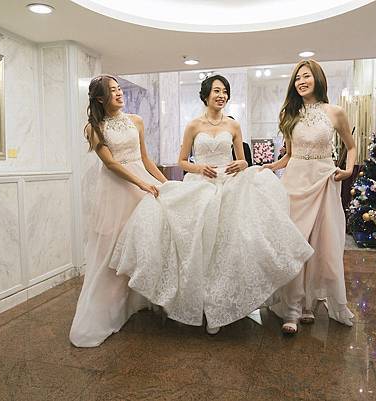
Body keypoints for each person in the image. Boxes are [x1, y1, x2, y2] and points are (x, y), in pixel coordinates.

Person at [110, 75, 313, 335]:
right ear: (206, 95)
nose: (222, 95)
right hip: (201, 183)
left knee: (229, 246)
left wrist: (242, 163)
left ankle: (221, 305)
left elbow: (243, 161)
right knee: (199, 246)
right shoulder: (193, 125)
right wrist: (199, 167)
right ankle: (202, 304)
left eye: (225, 91)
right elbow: (182, 160)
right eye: (217, 91)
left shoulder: (233, 125)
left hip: (229, 184)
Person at [69, 75, 167, 347]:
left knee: (144, 242)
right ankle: (107, 310)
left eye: (119, 88)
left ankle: (139, 299)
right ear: (100, 98)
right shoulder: (94, 127)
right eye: (112, 91)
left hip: (142, 184)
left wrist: (164, 183)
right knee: (112, 249)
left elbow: (145, 158)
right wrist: (141, 183)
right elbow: (111, 164)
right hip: (116, 189)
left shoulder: (136, 120)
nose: (119, 93)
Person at [264, 60, 356, 334]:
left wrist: (348, 169)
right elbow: (289, 155)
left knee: (322, 244)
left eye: (306, 76)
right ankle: (291, 308)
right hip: (294, 183)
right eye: (297, 78)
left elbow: (351, 146)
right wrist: (270, 166)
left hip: (324, 181)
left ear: (317, 79)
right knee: (295, 244)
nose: (301, 82)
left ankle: (309, 305)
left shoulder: (335, 112)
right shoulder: (289, 113)